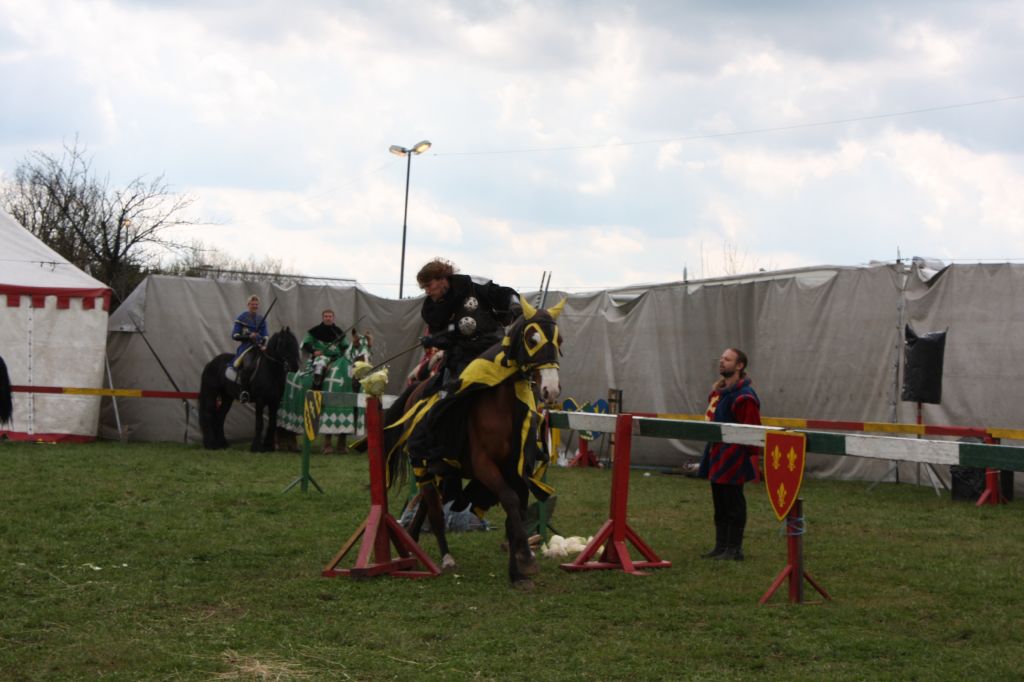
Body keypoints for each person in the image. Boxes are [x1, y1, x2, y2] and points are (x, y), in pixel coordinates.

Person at [416, 258, 520, 389]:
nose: (427, 291)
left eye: (428, 285)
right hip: (461, 357)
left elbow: (503, 293)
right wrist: (434, 340)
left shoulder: (471, 284)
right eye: (424, 287)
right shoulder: (431, 310)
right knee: (448, 393)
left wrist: (515, 304)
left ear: (442, 278)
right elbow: (445, 339)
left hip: (493, 347)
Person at [698, 347, 762, 561]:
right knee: (720, 502)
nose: (722, 361)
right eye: (721, 358)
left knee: (733, 503)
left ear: (739, 365)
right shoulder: (718, 393)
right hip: (716, 452)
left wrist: (746, 457)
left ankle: (734, 549)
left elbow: (752, 431)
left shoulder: (745, 397)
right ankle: (721, 546)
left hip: (734, 456)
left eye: (727, 359)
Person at [226, 295, 268, 401]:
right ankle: (244, 391)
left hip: (259, 347)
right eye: (253, 304)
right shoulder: (241, 318)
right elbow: (235, 335)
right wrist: (249, 337)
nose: (255, 306)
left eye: (256, 304)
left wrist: (263, 343)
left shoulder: (261, 319)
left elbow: (265, 335)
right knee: (248, 365)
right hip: (247, 347)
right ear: (248, 305)